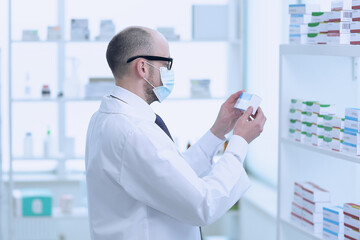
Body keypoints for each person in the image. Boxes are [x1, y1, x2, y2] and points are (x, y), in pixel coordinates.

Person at [85, 26, 266, 240]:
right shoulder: (135, 132)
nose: (169, 73)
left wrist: (218, 132)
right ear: (142, 67)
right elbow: (204, 205)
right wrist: (240, 143)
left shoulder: (106, 118)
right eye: (166, 64)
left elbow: (170, 176)